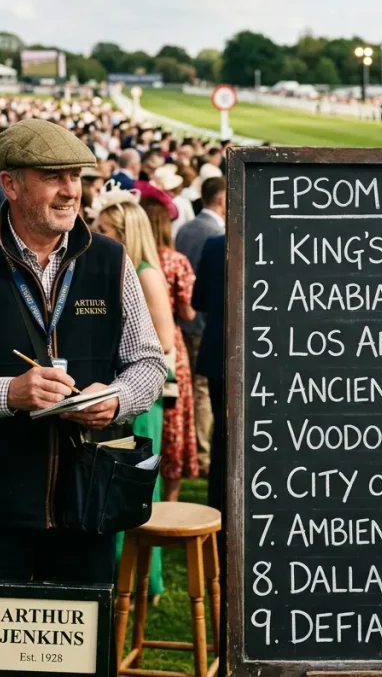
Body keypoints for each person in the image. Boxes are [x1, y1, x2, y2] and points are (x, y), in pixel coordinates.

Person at [0, 119, 166, 677]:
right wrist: (9, 393)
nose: (71, 189)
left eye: (75, 176)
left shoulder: (110, 260)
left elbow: (149, 363)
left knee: (76, 668)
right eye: (53, 176)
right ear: (11, 184)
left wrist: (116, 399)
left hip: (86, 509)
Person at [93, 186, 173, 600]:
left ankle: (145, 580)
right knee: (118, 482)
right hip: (118, 389)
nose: (97, 236)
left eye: (105, 229)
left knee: (137, 485)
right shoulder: (122, 271)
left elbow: (162, 340)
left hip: (139, 392)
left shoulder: (145, 273)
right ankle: (126, 575)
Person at [140, 195, 199, 501]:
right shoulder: (175, 261)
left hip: (140, 344)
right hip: (171, 344)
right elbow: (189, 312)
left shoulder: (134, 259)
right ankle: (171, 502)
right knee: (175, 426)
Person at [175, 176, 226, 475]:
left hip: (199, 329)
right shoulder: (217, 240)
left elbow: (200, 298)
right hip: (209, 332)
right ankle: (202, 455)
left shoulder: (188, 229)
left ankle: (204, 457)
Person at [192, 233, 226, 513]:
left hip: (219, 352)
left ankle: (218, 508)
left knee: (222, 438)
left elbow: (199, 300)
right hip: (224, 355)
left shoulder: (215, 244)